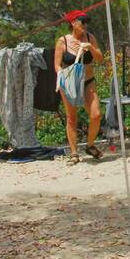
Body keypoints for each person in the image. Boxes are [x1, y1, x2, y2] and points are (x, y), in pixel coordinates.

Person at [55, 9, 105, 164]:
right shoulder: (62, 41)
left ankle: (90, 145)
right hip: (69, 84)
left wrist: (90, 47)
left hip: (88, 81)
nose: (85, 24)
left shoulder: (90, 38)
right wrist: (66, 78)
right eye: (82, 21)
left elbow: (100, 59)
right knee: (72, 118)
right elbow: (57, 66)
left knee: (96, 115)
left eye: (86, 21)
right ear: (73, 23)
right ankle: (74, 153)